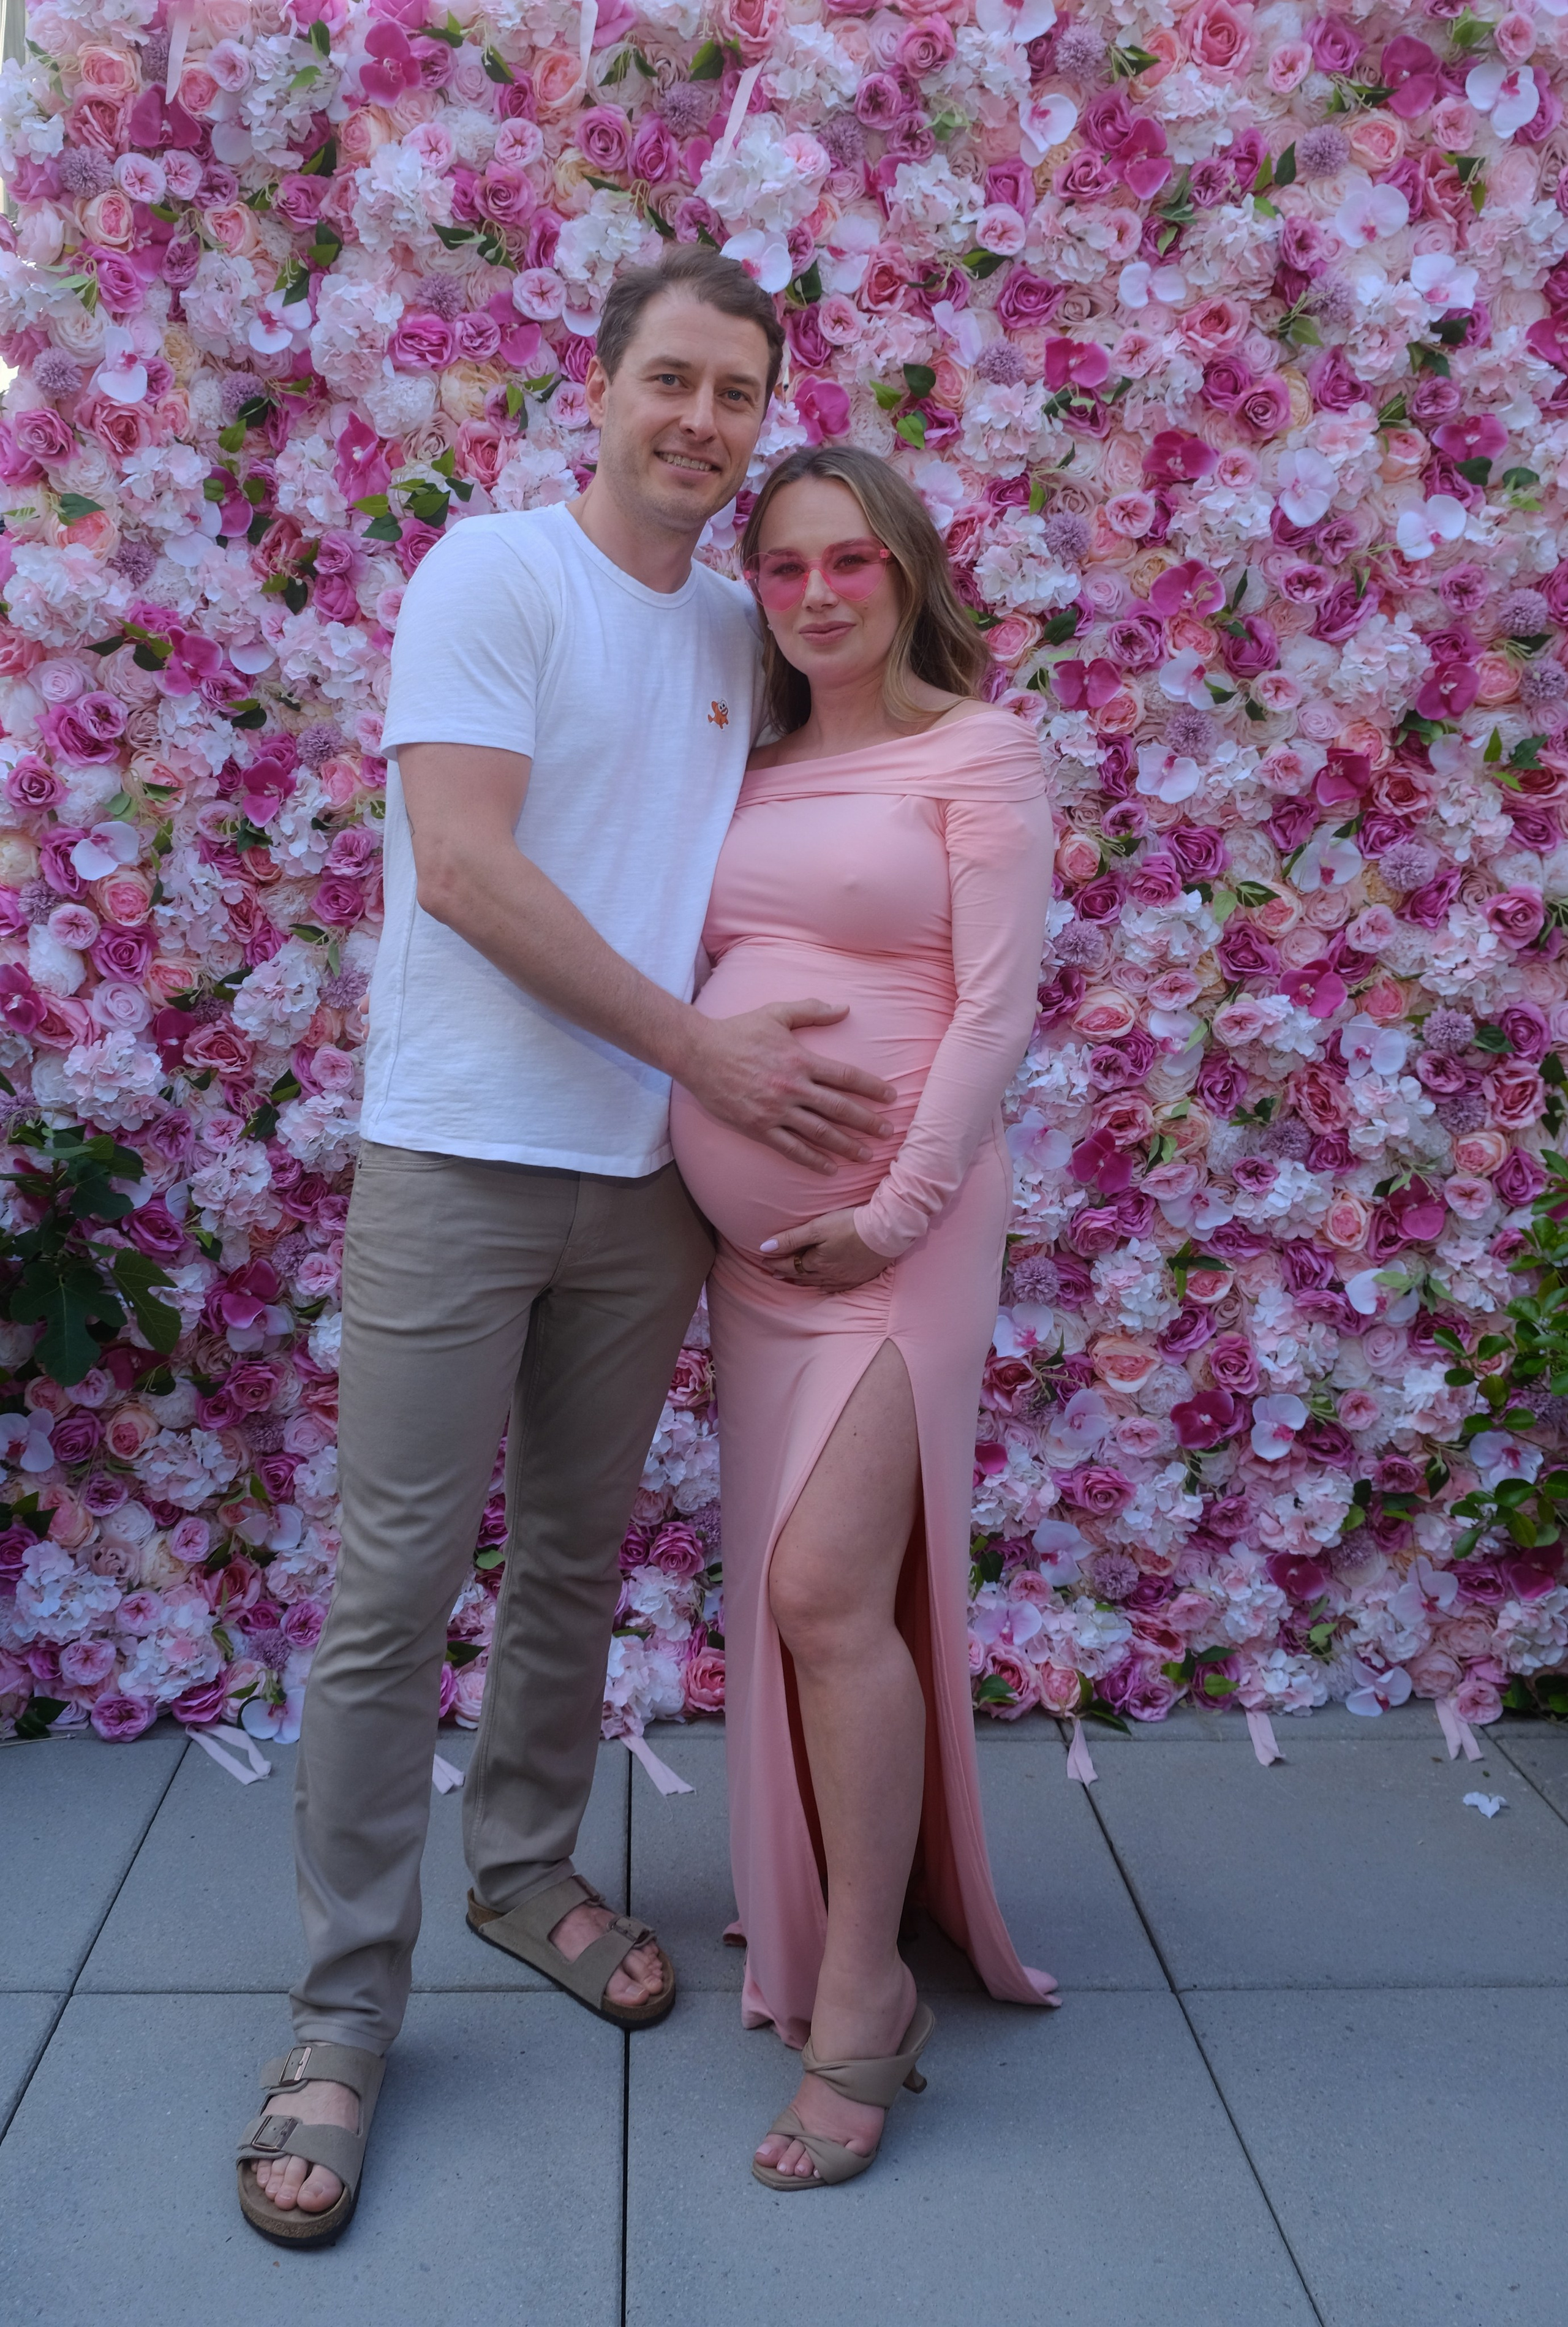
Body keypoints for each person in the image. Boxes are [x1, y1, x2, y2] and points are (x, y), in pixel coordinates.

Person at [236, 250, 899, 2248]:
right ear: (600, 386)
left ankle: (525, 1870)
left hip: (643, 1184)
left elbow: (838, 800)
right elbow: (467, 870)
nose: (702, 422)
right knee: (393, 1588)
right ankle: (342, 2020)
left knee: (578, 1560)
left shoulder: (737, 620)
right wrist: (706, 1045)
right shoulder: (491, 577)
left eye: (736, 393)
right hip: (458, 1148)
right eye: (671, 381)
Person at [669, 445, 1060, 2192]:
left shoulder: (976, 751)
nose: (819, 595)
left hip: (900, 1240)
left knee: (833, 1588)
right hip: (755, 1268)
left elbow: (989, 1012)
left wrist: (888, 1209)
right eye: (784, 568)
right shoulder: (738, 769)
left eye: (854, 564)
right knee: (798, 1596)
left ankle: (866, 1988)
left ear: (907, 575)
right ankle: (839, 1921)